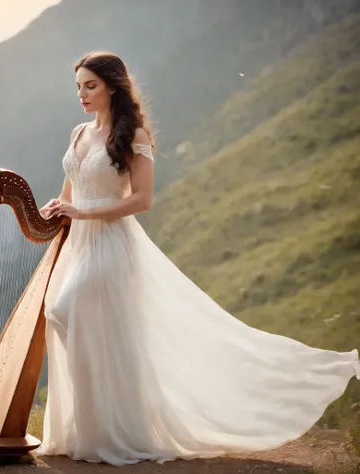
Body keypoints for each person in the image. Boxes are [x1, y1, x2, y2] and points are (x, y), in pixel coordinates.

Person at [34, 51, 360, 466]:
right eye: (78, 86)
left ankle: (116, 433)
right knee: (75, 322)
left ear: (113, 86)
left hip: (112, 245)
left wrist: (84, 212)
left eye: (90, 85)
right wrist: (57, 208)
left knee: (70, 310)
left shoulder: (133, 136)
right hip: (78, 243)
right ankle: (89, 429)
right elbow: (71, 191)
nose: (81, 94)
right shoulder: (78, 132)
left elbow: (143, 200)